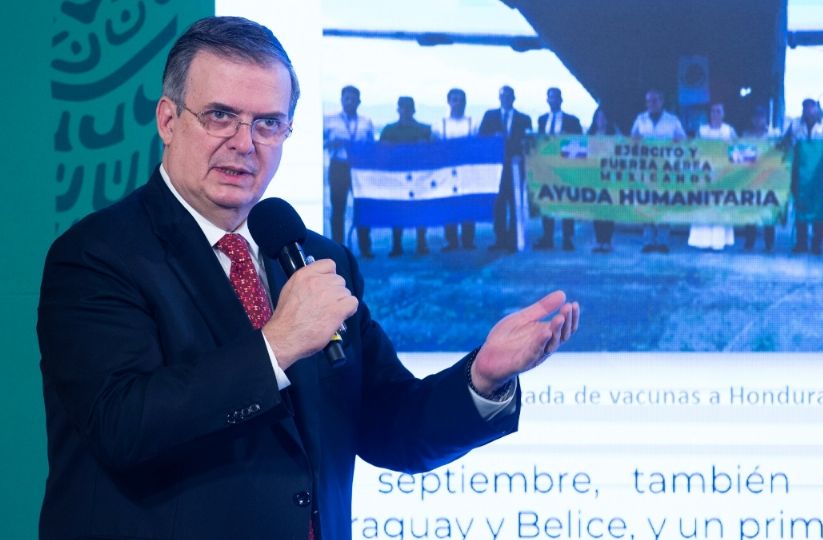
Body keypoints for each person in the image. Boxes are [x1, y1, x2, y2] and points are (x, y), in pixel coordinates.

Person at [36, 17, 580, 540]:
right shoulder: (96, 257)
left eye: (268, 122)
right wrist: (277, 345)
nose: (244, 142)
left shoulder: (315, 259)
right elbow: (122, 425)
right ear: (168, 121)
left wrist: (481, 379)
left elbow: (389, 424)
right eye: (220, 116)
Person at [630, 89, 686, 253]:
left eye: (654, 100)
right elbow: (632, 139)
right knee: (646, 204)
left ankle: (663, 241)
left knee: (664, 204)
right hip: (645, 169)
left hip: (666, 170)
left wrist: (675, 143)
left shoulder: (672, 120)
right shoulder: (641, 119)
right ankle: (648, 240)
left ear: (661, 102)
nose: (651, 104)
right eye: (648, 101)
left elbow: (682, 141)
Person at [479, 85, 533, 252]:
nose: (506, 98)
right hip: (496, 168)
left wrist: (521, 155)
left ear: (514, 98)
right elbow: (481, 138)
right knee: (498, 204)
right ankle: (500, 239)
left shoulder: (524, 119)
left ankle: (513, 239)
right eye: (503, 95)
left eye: (509, 96)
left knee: (515, 203)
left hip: (516, 168)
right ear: (499, 98)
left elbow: (529, 143)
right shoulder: (490, 116)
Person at [324, 85, 375, 257]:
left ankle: (365, 247)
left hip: (360, 170)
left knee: (363, 207)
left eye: (354, 99)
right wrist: (333, 143)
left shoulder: (366, 122)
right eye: (347, 98)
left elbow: (372, 147)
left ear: (359, 102)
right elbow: (320, 144)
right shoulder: (329, 120)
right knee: (338, 208)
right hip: (338, 166)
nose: (350, 102)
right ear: (341, 100)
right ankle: (338, 249)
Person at [379, 96, 432, 257]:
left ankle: (421, 244)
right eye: (402, 107)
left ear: (413, 109)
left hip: (419, 177)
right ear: (398, 109)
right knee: (397, 211)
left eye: (408, 107)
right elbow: (380, 152)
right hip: (397, 179)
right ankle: (396, 245)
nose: (405, 110)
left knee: (420, 210)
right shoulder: (389, 130)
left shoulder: (424, 129)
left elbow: (432, 153)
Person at [534, 87, 584, 251]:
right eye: (551, 98)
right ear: (547, 100)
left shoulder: (572, 121)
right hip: (546, 168)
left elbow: (581, 144)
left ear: (561, 100)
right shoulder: (542, 120)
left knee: (566, 203)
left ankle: (567, 238)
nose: (553, 100)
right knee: (547, 202)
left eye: (556, 98)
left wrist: (566, 139)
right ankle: (547, 237)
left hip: (565, 168)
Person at [782, 98, 823, 255]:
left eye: (812, 109)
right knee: (800, 208)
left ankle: (817, 243)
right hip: (800, 174)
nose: (809, 113)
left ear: (817, 110)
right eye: (806, 110)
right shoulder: (795, 125)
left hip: (820, 174)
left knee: (819, 210)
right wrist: (788, 141)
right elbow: (784, 143)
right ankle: (801, 242)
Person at [433, 88, 477, 251]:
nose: (458, 103)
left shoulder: (473, 123)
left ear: (465, 102)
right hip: (447, 172)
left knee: (468, 205)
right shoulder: (439, 125)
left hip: (467, 172)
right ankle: (450, 240)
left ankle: (468, 240)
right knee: (449, 206)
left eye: (461, 100)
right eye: (454, 99)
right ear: (449, 102)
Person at [689, 102, 736, 250]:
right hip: (705, 174)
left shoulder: (729, 131)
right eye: (713, 111)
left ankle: (719, 242)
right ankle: (701, 241)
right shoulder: (702, 130)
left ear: (723, 114)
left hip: (723, 174)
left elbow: (737, 151)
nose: (715, 114)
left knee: (721, 206)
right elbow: (694, 150)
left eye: (718, 111)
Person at [741, 104, 779, 251]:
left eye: (761, 118)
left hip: (769, 178)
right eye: (756, 118)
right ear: (752, 120)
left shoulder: (774, 135)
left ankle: (769, 242)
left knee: (768, 211)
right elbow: (740, 156)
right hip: (751, 178)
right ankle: (749, 241)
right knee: (750, 211)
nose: (758, 121)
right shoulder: (746, 135)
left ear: (765, 119)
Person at [588, 106, 621, 253]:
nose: (600, 120)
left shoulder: (614, 135)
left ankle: (607, 241)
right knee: (596, 210)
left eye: (603, 117)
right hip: (594, 177)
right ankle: (598, 240)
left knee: (608, 210)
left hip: (610, 178)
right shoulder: (589, 135)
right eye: (598, 117)